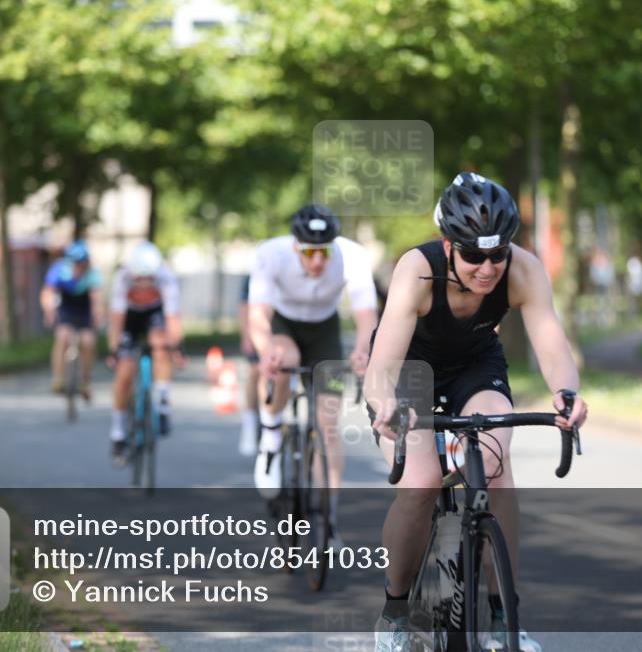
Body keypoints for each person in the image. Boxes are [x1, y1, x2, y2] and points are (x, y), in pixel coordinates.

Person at [364, 172, 588, 652]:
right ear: (448, 245)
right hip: (410, 370)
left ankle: (504, 617)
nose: (487, 269)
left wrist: (566, 393)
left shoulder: (524, 270)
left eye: (497, 254)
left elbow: (551, 342)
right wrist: (386, 405)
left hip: (474, 364)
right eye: (473, 256)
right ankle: (395, 612)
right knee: (421, 483)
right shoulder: (416, 269)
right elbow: (381, 368)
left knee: (494, 465)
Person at [248, 203, 378, 546]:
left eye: (324, 252)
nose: (318, 260)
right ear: (295, 246)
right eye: (309, 252)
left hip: (324, 331)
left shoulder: (352, 255)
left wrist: (363, 350)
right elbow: (258, 314)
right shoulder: (271, 253)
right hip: (284, 325)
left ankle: (327, 516)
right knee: (283, 360)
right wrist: (266, 350)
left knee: (328, 427)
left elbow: (366, 314)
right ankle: (271, 435)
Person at [106, 241, 184, 464]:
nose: (143, 284)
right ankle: (118, 432)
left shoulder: (166, 277)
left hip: (154, 315)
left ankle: (163, 403)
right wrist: (114, 350)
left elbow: (173, 319)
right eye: (139, 279)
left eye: (149, 279)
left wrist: (176, 347)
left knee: (162, 344)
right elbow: (117, 320)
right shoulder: (122, 278)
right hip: (130, 319)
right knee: (125, 372)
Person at [40, 241, 103, 399]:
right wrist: (49, 312)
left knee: (88, 342)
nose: (79, 267)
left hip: (84, 310)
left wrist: (97, 316)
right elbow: (48, 293)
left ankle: (85, 381)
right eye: (76, 263)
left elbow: (96, 299)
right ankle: (58, 378)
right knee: (62, 337)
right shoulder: (59, 269)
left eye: (82, 263)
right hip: (66, 309)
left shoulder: (92, 273)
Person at [238, 274, 260, 456]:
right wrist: (247, 336)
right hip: (258, 327)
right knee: (255, 371)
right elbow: (245, 307)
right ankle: (250, 423)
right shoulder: (254, 275)